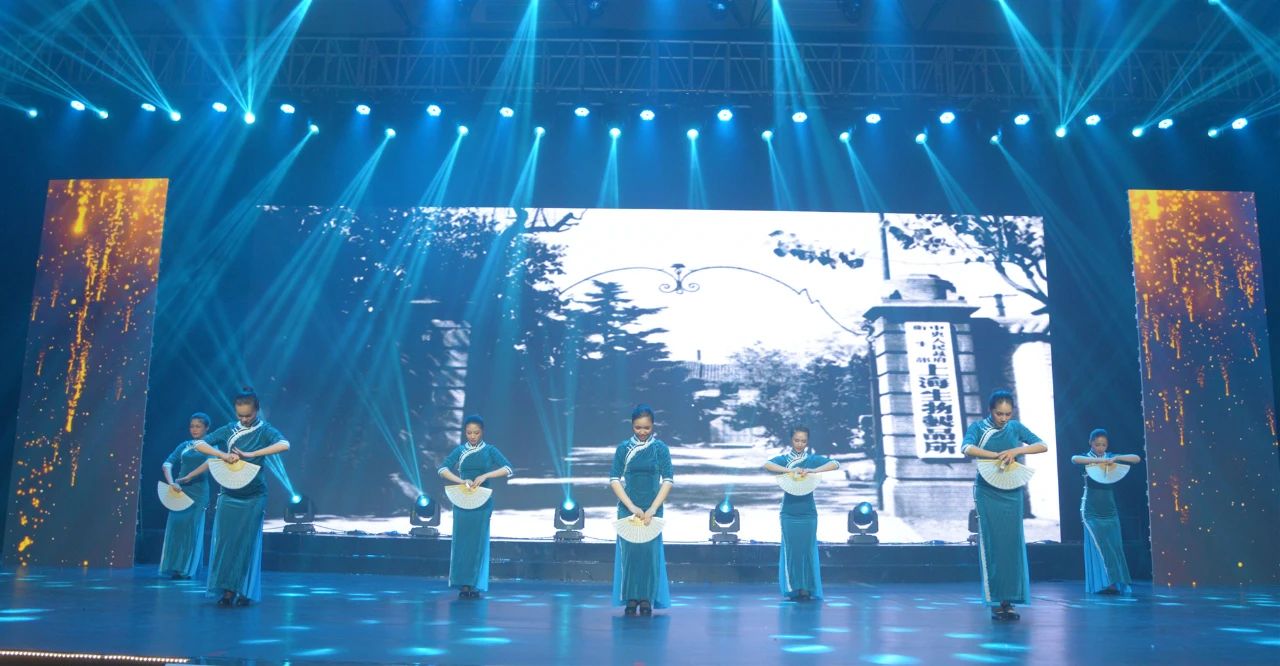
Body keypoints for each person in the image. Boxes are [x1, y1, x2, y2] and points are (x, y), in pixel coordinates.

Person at [193, 387, 291, 607]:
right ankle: (226, 590)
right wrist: (222, 454)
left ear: (257, 410)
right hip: (229, 494)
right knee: (225, 543)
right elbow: (199, 444)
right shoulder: (229, 429)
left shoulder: (264, 430)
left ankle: (242, 589)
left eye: (248, 415)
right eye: (240, 415)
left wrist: (252, 454)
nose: (244, 419)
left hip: (254, 495)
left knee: (246, 543)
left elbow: (285, 444)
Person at [961, 389, 1048, 621]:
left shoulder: (1015, 427)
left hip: (1012, 490)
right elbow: (966, 448)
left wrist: (1016, 450)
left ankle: (1010, 600)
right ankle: (995, 600)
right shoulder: (978, 428)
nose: (1003, 418)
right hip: (988, 491)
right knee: (993, 544)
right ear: (990, 410)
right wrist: (995, 455)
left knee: (1012, 545)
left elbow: (1042, 445)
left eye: (1008, 414)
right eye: (999, 413)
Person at [437, 414, 514, 599]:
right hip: (462, 500)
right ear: (465, 432)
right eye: (469, 433)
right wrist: (460, 481)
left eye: (476, 432)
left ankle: (475, 584)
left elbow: (508, 468)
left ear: (482, 432)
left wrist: (486, 476)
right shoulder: (460, 450)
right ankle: (462, 584)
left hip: (482, 501)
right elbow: (442, 469)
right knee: (461, 542)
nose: (472, 436)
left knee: (478, 542)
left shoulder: (489, 450)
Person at [609, 404, 673, 616]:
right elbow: (614, 479)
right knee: (630, 554)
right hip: (628, 508)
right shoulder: (624, 448)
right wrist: (631, 506)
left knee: (649, 554)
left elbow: (668, 480)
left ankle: (646, 597)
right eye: (638, 427)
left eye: (646, 428)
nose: (642, 432)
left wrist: (653, 508)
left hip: (652, 510)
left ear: (653, 426)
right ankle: (631, 597)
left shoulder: (660, 448)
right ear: (632, 425)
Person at [763, 426, 840, 601]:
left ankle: (807, 588)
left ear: (807, 442)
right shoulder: (784, 459)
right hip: (789, 512)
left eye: (803, 441)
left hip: (808, 512)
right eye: (797, 440)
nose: (800, 444)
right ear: (791, 440)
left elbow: (835, 464)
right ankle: (793, 587)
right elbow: (767, 465)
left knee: (807, 550)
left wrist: (813, 470)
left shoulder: (811, 459)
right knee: (791, 550)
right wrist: (790, 471)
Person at [1071, 428, 1140, 595]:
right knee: (1099, 545)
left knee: (1115, 546)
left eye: (1103, 445)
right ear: (1091, 443)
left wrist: (1116, 458)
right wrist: (1099, 461)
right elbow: (1074, 459)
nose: (1100, 448)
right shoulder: (1087, 458)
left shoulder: (1110, 457)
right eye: (1097, 444)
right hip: (1091, 509)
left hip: (1109, 509)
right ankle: (1101, 584)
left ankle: (1116, 583)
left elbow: (1136, 458)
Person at [158, 412, 214, 580]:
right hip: (179, 491)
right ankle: (174, 567)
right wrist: (172, 483)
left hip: (198, 492)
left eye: (198, 426)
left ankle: (186, 569)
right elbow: (167, 463)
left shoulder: (211, 445)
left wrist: (190, 476)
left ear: (206, 428)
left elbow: (210, 462)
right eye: (192, 426)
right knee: (176, 528)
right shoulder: (185, 445)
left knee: (192, 529)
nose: (194, 429)